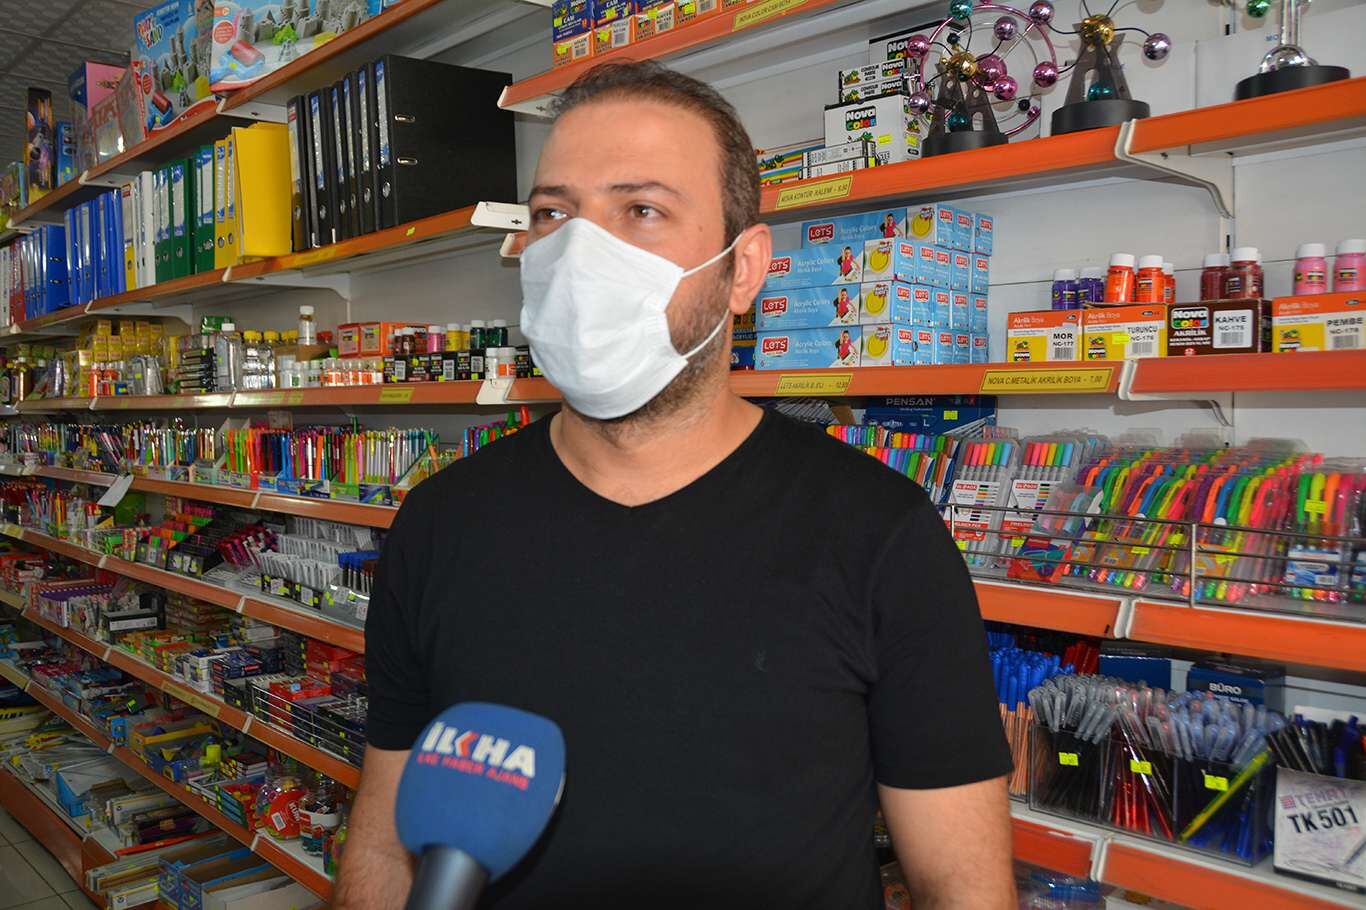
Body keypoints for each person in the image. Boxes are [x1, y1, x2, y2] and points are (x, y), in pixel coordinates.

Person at [335, 60, 1013, 910]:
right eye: (553, 214)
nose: (581, 253)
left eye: (642, 210)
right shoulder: (441, 521)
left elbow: (961, 884)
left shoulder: (881, 533)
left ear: (745, 269)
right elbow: (385, 836)